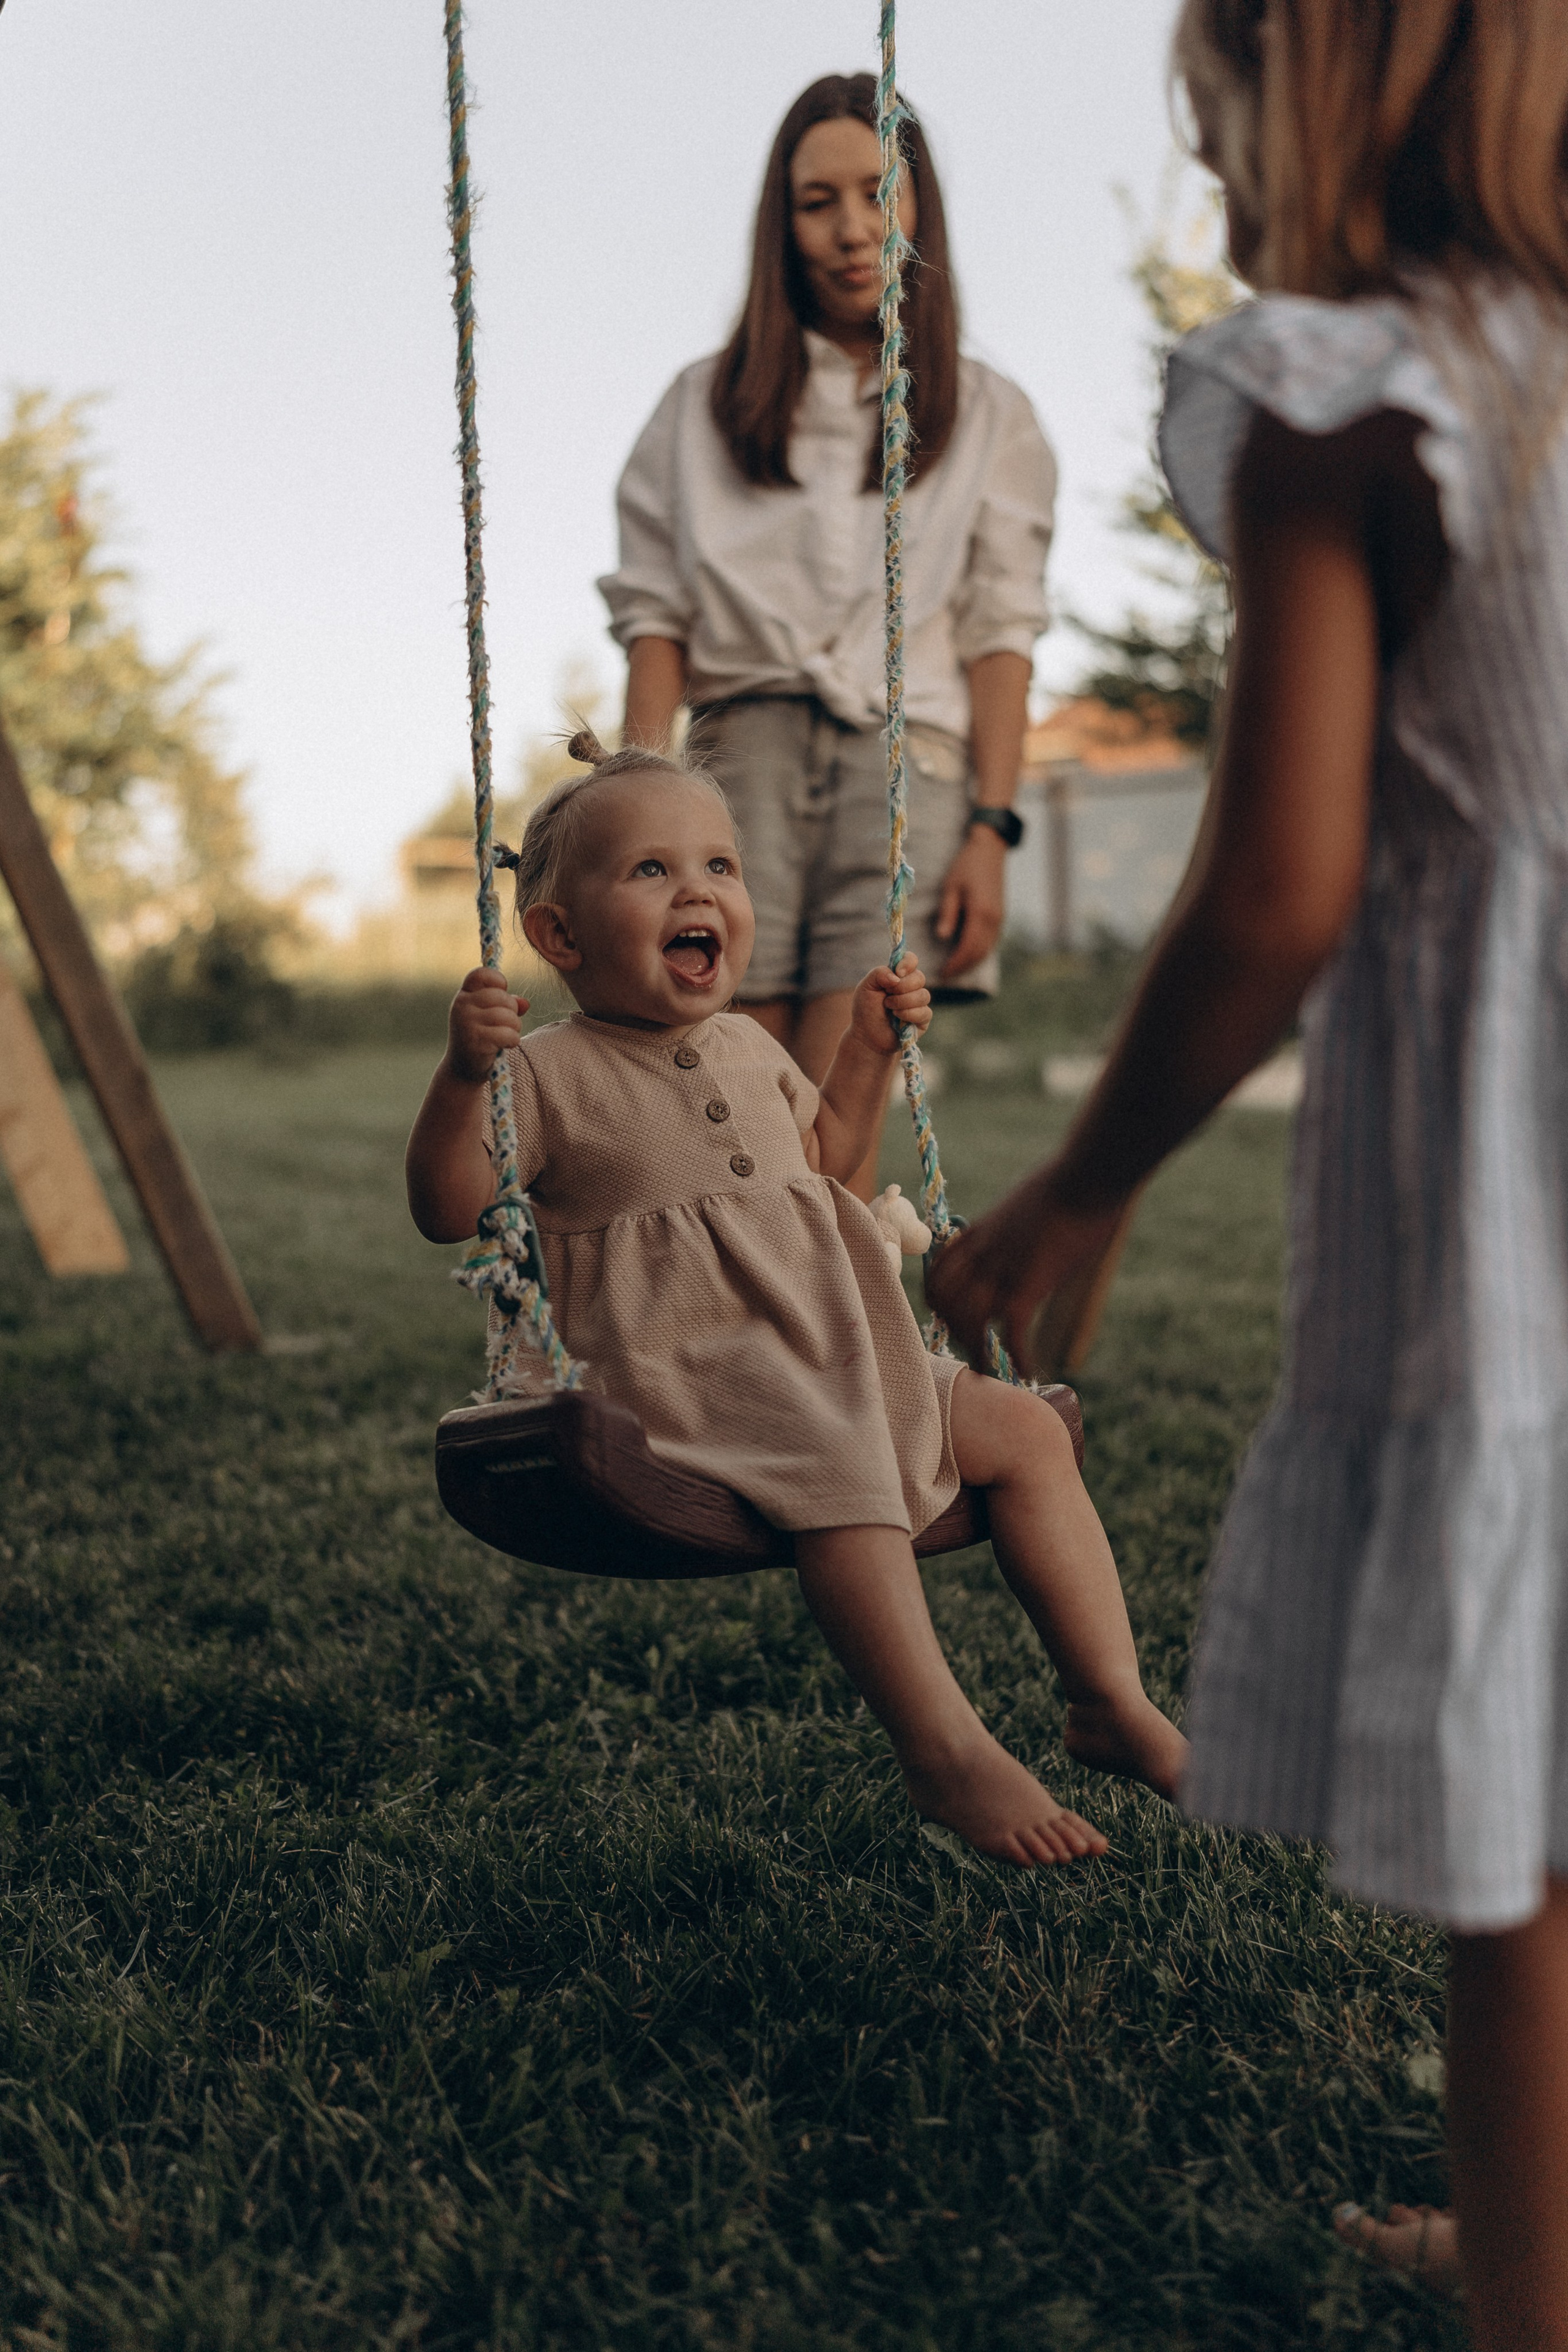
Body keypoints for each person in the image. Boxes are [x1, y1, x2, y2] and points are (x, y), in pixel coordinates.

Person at [926, 1, 1568, 2339]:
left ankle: (1527, 2294)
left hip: (1525, 1185)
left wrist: (1085, 1181)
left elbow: (1283, 885)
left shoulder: (1352, 388)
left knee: (1533, 1837)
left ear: (1316, 82)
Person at [406, 731, 1185, 1865]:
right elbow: (448, 1201)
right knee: (844, 1465)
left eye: (720, 867)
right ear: (558, 936)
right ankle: (944, 1749)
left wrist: (865, 1052)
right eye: (653, 872)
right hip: (682, 1379)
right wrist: (462, 1076)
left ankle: (1110, 1699)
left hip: (830, 1351)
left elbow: (829, 1168)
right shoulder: (549, 1076)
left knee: (1022, 1429)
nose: (700, 891)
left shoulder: (754, 1045)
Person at [597, 72, 1055, 1198]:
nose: (852, 226)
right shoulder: (700, 407)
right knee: (713, 1067)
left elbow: (1003, 636)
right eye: (817, 201)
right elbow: (656, 621)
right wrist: (638, 804)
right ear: (782, 221)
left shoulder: (990, 414)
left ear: (917, 204)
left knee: (851, 1075)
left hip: (912, 764)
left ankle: (833, 1354)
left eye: (877, 191)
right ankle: (711, 1340)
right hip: (737, 759)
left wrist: (996, 826)